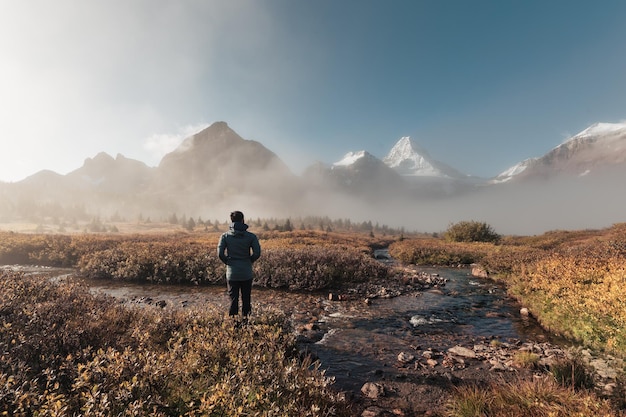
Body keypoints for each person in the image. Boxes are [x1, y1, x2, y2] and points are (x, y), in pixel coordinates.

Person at [217, 210, 261, 318]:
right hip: (246, 272)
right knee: (246, 299)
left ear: (231, 221)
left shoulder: (225, 236)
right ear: (242, 220)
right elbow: (257, 253)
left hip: (232, 273)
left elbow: (220, 254)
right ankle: (246, 323)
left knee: (233, 299)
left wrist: (228, 262)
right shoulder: (251, 236)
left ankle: (233, 325)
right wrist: (249, 261)